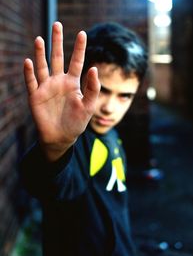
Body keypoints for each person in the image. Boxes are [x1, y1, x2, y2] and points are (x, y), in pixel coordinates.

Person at [20, 21, 148, 256]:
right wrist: (56, 147)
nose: (110, 107)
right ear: (80, 81)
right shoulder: (76, 141)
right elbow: (49, 183)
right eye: (102, 91)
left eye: (124, 96)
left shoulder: (112, 135)